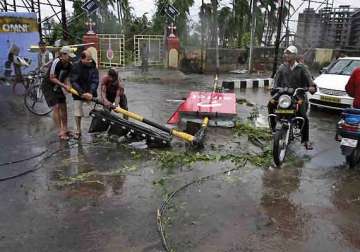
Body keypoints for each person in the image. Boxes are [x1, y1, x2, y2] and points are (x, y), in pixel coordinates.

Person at [268, 45, 316, 150]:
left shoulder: (302, 68)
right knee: (270, 103)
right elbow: (275, 80)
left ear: (294, 55)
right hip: (283, 94)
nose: (286, 55)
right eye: (286, 53)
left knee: (303, 115)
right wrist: (273, 88)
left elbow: (310, 81)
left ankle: (305, 140)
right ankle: (272, 128)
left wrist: (311, 87)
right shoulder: (282, 67)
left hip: (297, 95)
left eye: (289, 53)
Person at [42, 46, 75, 140]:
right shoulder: (56, 62)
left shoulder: (69, 65)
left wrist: (68, 86)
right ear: (62, 55)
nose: (70, 58)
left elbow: (67, 78)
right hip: (48, 86)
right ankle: (60, 131)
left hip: (58, 86)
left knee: (63, 106)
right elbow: (52, 78)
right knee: (56, 107)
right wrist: (64, 86)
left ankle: (65, 129)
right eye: (68, 55)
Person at [70, 49, 99, 139]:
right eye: (88, 59)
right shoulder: (75, 66)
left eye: (91, 59)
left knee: (96, 112)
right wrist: (82, 93)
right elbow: (73, 81)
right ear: (82, 59)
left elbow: (95, 80)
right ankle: (78, 130)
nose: (90, 61)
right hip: (78, 92)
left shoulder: (93, 65)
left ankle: (96, 129)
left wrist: (90, 92)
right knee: (78, 112)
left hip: (90, 92)